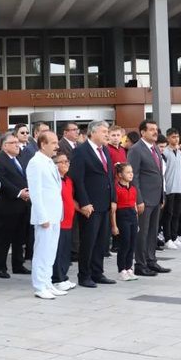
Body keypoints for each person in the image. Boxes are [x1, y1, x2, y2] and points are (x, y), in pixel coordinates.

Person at [67, 120, 115, 288]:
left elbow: (109, 176)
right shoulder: (81, 151)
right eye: (103, 131)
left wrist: (112, 199)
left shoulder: (105, 150)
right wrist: (84, 202)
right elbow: (77, 179)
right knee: (89, 241)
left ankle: (97, 272)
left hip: (105, 203)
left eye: (107, 131)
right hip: (90, 205)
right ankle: (84, 275)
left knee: (101, 241)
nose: (106, 134)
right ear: (92, 133)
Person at [26, 132, 65, 299]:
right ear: (43, 144)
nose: (57, 146)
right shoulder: (35, 163)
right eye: (53, 143)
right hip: (45, 216)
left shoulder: (48, 161)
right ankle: (40, 285)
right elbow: (35, 193)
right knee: (42, 251)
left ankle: (48, 282)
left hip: (55, 214)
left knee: (51, 251)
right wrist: (42, 217)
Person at [127, 120, 168, 276]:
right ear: (142, 132)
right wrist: (139, 199)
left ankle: (151, 261)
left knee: (153, 232)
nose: (155, 132)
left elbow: (158, 174)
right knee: (142, 233)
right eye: (151, 130)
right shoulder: (136, 149)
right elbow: (133, 176)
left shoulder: (155, 148)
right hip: (144, 199)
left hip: (156, 197)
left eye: (156, 129)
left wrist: (162, 196)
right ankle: (140, 264)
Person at [0, 133, 31, 280]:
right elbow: (2, 181)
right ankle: (0, 267)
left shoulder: (18, 159)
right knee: (4, 239)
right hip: (7, 206)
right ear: (5, 146)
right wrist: (19, 193)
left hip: (22, 205)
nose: (17, 145)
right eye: (13, 142)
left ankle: (18, 264)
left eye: (17, 142)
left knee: (19, 237)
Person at [51, 153, 77, 293]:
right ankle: (56, 278)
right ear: (55, 165)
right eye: (62, 162)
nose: (66, 164)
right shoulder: (55, 181)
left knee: (66, 251)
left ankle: (63, 276)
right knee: (58, 251)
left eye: (67, 161)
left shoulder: (68, 180)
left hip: (69, 220)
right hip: (58, 220)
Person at [110, 163, 140, 282]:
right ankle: (121, 269)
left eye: (131, 171)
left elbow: (135, 205)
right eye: (128, 172)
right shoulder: (116, 188)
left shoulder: (133, 188)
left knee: (132, 244)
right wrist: (114, 226)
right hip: (122, 217)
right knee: (124, 243)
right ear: (119, 175)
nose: (131, 174)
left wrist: (137, 222)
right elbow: (113, 210)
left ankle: (129, 268)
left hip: (132, 215)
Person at [160, 129, 181, 249]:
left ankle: (175, 237)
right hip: (169, 187)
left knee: (177, 213)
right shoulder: (164, 152)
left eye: (177, 137)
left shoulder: (179, 152)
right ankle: (168, 238)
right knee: (168, 214)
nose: (176, 139)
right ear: (168, 138)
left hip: (179, 187)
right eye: (173, 137)